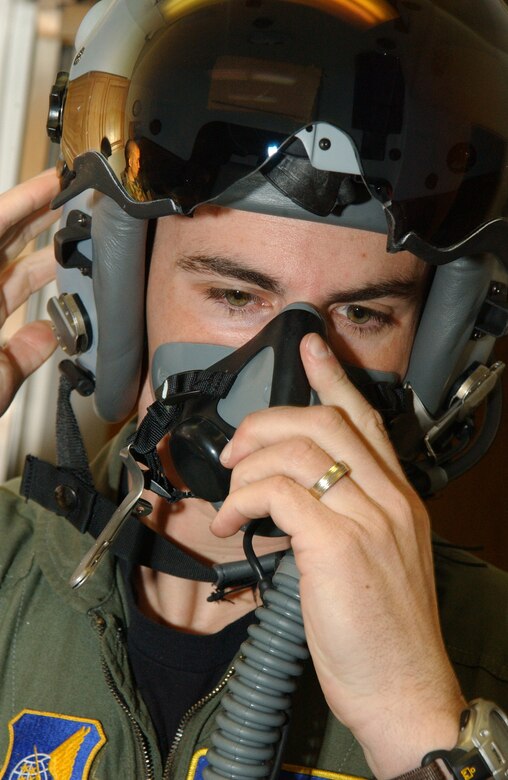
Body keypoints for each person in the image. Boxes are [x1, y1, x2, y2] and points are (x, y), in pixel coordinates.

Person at [1, 1, 508, 779]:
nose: (286, 383)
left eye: (364, 312)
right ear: (112, 290)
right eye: (236, 297)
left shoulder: (489, 650)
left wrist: (421, 729)